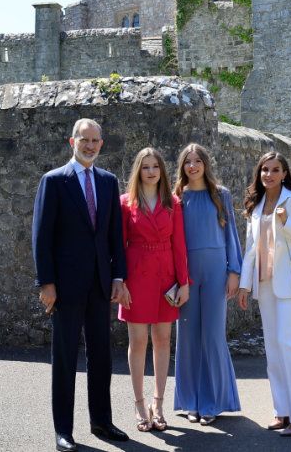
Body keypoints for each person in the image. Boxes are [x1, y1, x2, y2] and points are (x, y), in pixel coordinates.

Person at [32, 118, 130, 452]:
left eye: (95, 141)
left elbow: (115, 235)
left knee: (102, 356)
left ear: (102, 144)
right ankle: (64, 430)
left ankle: (102, 421)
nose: (89, 146)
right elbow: (41, 238)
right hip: (65, 286)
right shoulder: (54, 181)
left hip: (101, 284)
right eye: (83, 140)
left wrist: (119, 277)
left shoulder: (108, 181)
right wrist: (46, 283)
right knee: (65, 359)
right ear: (71, 141)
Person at [237, 151, 291, 437]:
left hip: (290, 282)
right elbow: (250, 248)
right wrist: (245, 285)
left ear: (284, 173)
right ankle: (282, 410)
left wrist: (288, 223)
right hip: (265, 283)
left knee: (287, 343)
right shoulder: (256, 205)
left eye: (275, 170)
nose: (269, 174)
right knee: (272, 347)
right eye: (264, 170)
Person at [118, 148, 190, 433]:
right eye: (145, 167)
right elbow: (119, 247)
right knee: (137, 342)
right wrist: (119, 281)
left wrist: (184, 282)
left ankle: (158, 404)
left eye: (155, 167)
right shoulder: (125, 203)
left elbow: (180, 246)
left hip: (166, 278)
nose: (150, 172)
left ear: (162, 171)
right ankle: (139, 404)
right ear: (138, 171)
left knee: (162, 340)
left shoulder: (172, 202)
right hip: (135, 277)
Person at [173, 143, 242, 426]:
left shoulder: (220, 195)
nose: (192, 166)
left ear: (205, 164)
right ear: (182, 166)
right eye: (187, 161)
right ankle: (191, 401)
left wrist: (234, 272)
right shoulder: (176, 197)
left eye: (197, 160)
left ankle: (213, 401)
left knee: (213, 336)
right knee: (188, 337)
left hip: (215, 271)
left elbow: (232, 236)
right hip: (186, 273)